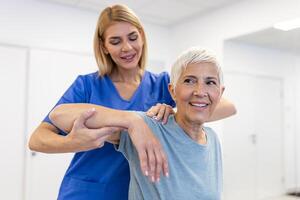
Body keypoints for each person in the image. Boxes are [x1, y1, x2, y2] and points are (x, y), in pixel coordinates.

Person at [28, 4, 235, 200]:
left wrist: (175, 110)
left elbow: (224, 106)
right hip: (88, 190)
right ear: (104, 47)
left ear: (142, 37)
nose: (127, 47)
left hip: (137, 189)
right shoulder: (88, 85)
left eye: (132, 37)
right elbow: (38, 138)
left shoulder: (162, 84)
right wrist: (131, 121)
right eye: (116, 41)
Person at [49, 47, 225, 200]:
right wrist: (131, 120)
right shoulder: (151, 126)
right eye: (189, 81)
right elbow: (59, 115)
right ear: (172, 90)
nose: (200, 91)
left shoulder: (213, 139)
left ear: (220, 92)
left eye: (210, 82)